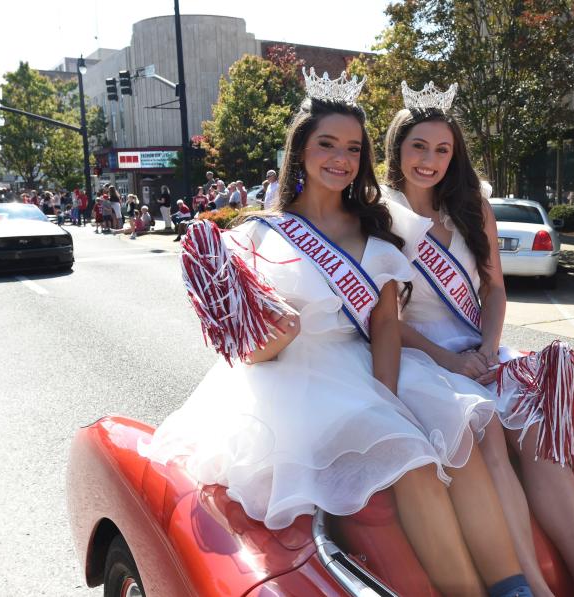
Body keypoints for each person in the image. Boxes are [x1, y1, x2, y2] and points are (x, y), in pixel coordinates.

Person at [139, 71, 532, 597]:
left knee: (457, 434)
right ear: (300, 149)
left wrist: (387, 394)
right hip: (296, 379)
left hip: (368, 367)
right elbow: (249, 352)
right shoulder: (253, 237)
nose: (340, 157)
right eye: (327, 144)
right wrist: (279, 336)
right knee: (412, 461)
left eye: (352, 147)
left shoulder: (377, 227)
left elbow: (386, 326)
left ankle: (512, 586)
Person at [381, 83, 574, 597]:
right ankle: (531, 587)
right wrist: (452, 359)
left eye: (443, 149)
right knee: (486, 431)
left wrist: (488, 349)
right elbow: (383, 318)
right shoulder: (379, 217)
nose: (430, 160)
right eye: (418, 146)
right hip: (423, 355)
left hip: (480, 348)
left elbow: (494, 289)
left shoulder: (471, 206)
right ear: (398, 147)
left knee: (541, 435)